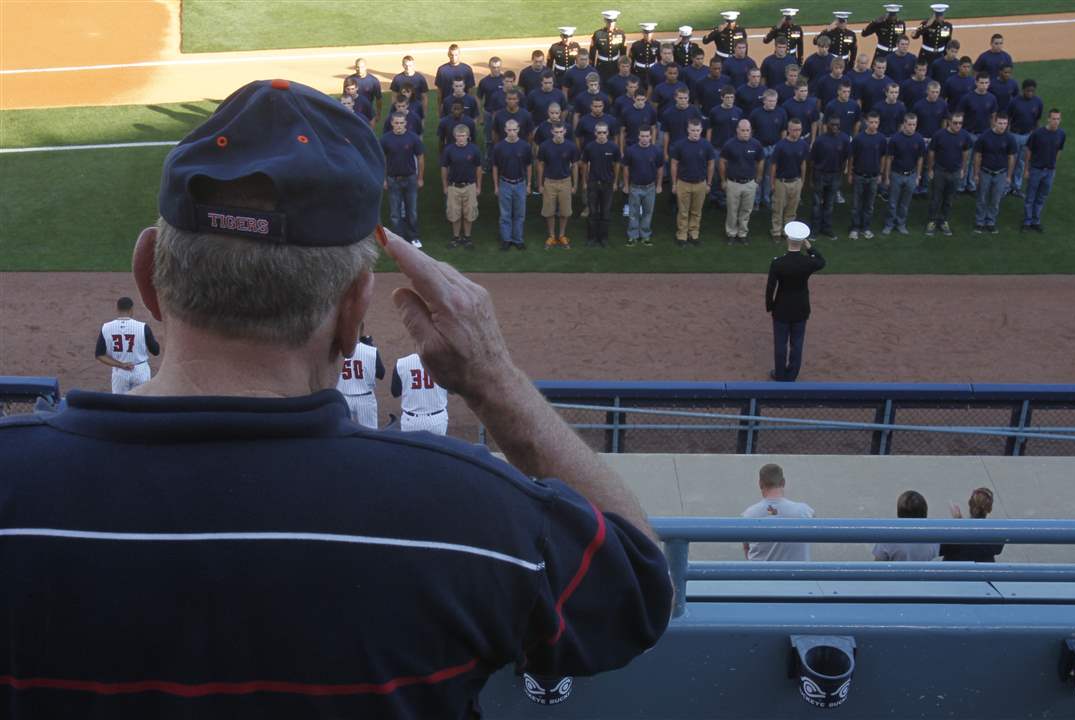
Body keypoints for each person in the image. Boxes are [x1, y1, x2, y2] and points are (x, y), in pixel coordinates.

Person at [0, 78, 672, 718]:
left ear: (148, 277)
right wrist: (494, 377)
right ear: (355, 313)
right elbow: (639, 592)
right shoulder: (471, 516)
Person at [766, 221, 825, 383]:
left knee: (780, 344)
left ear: (787, 238)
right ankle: (791, 376)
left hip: (781, 308)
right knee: (797, 344)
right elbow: (821, 261)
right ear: (802, 240)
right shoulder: (808, 262)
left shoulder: (778, 263)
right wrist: (810, 247)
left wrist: (769, 306)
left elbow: (771, 287)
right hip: (801, 308)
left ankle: (780, 374)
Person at [741, 463, 816, 559]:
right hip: (796, 574)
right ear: (783, 482)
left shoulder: (749, 514)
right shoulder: (805, 511)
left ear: (760, 484)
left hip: (761, 574)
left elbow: (746, 550)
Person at [95, 296, 160, 393]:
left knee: (119, 405)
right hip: (140, 371)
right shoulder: (143, 327)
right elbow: (156, 351)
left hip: (120, 373)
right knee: (142, 405)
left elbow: (99, 355)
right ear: (131, 309)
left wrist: (121, 365)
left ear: (117, 309)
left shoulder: (106, 327)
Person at [381, 112, 426, 249]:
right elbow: (381, 159)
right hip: (393, 179)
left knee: (411, 210)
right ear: (392, 123)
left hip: (410, 179)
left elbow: (420, 158)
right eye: (396, 123)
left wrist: (420, 178)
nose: (399, 125)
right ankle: (398, 239)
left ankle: (413, 237)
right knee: (395, 212)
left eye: (401, 123)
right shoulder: (385, 139)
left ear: (405, 123)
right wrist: (383, 179)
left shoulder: (413, 138)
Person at [669, 119, 714, 247]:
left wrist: (709, 184)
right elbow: (674, 165)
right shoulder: (679, 145)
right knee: (683, 211)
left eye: (698, 130)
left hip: (700, 183)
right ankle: (682, 235)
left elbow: (711, 165)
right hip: (683, 183)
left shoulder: (706, 145)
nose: (695, 133)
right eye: (693, 130)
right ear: (688, 130)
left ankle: (694, 234)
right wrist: (674, 184)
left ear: (701, 130)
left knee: (696, 211)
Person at [926, 111, 972, 236]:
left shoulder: (965, 136)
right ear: (949, 122)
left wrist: (963, 169)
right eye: (955, 123)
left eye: (960, 123)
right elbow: (931, 153)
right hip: (940, 171)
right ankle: (932, 221)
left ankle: (943, 220)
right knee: (936, 198)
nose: (958, 125)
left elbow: (965, 153)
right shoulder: (939, 135)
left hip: (955, 172)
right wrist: (930, 170)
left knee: (949, 199)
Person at [719, 119, 764, 245]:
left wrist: (758, 178)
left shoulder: (756, 144)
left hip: (750, 183)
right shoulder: (729, 144)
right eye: (743, 130)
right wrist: (723, 180)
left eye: (747, 130)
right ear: (737, 130)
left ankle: (742, 233)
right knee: (732, 210)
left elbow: (761, 160)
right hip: (733, 183)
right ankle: (731, 234)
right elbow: (722, 161)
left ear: (751, 131)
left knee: (746, 210)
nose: (745, 133)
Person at [1022, 108, 1066, 233]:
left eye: (1058, 119)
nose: (1055, 121)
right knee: (1030, 197)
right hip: (1036, 169)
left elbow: (1059, 151)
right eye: (1053, 119)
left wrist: (1054, 166)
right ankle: (1027, 221)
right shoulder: (1037, 133)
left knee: (1041, 197)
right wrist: (1026, 169)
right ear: (1048, 119)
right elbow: (1028, 151)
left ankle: (1036, 221)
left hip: (1050, 171)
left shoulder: (1061, 134)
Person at [491, 118, 532, 251]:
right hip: (505, 183)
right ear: (505, 130)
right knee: (505, 214)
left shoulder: (525, 146)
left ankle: (518, 240)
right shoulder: (499, 147)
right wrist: (496, 186)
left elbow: (529, 166)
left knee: (520, 214)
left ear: (518, 130)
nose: (512, 132)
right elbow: (495, 167)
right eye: (509, 130)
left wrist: (529, 184)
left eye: (514, 130)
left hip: (520, 183)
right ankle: (506, 240)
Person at [972, 114, 1017, 235]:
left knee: (996, 199)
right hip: (985, 172)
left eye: (1005, 124)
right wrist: (976, 174)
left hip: (1001, 174)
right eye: (1000, 123)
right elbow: (977, 156)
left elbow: (1011, 158)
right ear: (994, 123)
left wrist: (1008, 176)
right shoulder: (984, 137)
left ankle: (991, 222)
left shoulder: (1010, 138)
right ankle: (980, 222)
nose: (1002, 126)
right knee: (982, 198)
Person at [537, 121, 579, 248]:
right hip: (549, 182)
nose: (559, 135)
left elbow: (575, 165)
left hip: (565, 181)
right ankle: (551, 236)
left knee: (565, 212)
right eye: (556, 132)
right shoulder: (544, 146)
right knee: (549, 212)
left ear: (565, 132)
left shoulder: (571, 146)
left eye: (561, 132)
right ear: (552, 132)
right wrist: (540, 184)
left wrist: (575, 184)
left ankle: (561, 235)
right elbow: (540, 165)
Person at [440, 125, 482, 249]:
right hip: (453, 186)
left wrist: (478, 186)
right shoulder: (449, 150)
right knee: (454, 213)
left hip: (470, 186)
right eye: (458, 136)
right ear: (455, 137)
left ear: (468, 136)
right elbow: (444, 168)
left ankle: (467, 237)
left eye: (463, 136)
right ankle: (456, 237)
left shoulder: (474, 149)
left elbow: (478, 168)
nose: (461, 138)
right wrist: (445, 186)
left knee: (469, 213)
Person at [809, 116, 851, 240]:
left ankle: (826, 228)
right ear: (827, 125)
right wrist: (812, 177)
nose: (835, 127)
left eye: (837, 125)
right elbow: (813, 160)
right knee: (816, 204)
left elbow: (847, 157)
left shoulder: (844, 139)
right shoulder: (820, 140)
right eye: (832, 124)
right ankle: (815, 229)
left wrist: (843, 171)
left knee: (830, 204)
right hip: (820, 174)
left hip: (835, 175)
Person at [882, 112, 924, 235]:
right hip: (896, 174)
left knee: (905, 203)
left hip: (911, 175)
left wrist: (918, 175)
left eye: (914, 125)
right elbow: (889, 158)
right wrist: (887, 176)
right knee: (892, 202)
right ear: (904, 124)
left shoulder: (919, 139)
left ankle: (901, 224)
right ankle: (889, 224)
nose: (912, 127)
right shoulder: (895, 139)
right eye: (909, 124)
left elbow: (920, 159)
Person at [581, 121, 622, 248]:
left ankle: (603, 238)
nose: (602, 135)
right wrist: (584, 182)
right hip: (593, 183)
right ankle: (592, 238)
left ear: (608, 133)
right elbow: (584, 164)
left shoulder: (614, 147)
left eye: (604, 132)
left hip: (607, 184)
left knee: (605, 212)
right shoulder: (589, 147)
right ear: (595, 133)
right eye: (599, 132)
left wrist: (615, 182)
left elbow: (617, 165)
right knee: (593, 212)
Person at [622, 126, 664, 246]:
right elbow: (625, 169)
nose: (644, 138)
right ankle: (632, 236)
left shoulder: (656, 150)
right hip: (635, 187)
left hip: (650, 187)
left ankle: (645, 236)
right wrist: (625, 185)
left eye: (647, 136)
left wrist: (659, 185)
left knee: (648, 212)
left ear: (651, 136)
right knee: (633, 213)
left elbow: (660, 168)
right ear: (638, 136)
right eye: (642, 136)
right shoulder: (630, 150)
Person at [848, 111, 888, 240]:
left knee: (869, 205)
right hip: (859, 175)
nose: (873, 125)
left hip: (873, 176)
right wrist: (849, 174)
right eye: (871, 122)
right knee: (856, 204)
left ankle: (865, 228)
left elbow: (883, 157)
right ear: (866, 123)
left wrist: (881, 174)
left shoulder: (881, 139)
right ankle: (855, 228)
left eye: (876, 122)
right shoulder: (858, 138)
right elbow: (851, 158)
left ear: (879, 123)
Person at [337, 326, 386, 429]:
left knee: (343, 434)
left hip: (343, 399)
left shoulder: (336, 351)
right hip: (365, 400)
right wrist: (369, 345)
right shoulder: (371, 351)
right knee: (370, 434)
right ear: (361, 331)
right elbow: (381, 374)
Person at [770, 118, 809, 242]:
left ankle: (787, 231)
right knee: (778, 208)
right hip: (781, 181)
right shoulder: (780, 145)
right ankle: (776, 231)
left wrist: (802, 180)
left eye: (799, 130)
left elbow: (803, 163)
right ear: (788, 130)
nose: (797, 132)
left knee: (792, 209)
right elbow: (773, 165)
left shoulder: (803, 145)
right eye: (794, 130)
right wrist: (772, 182)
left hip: (796, 181)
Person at [957, 72, 998, 192]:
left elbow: (993, 116)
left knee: (977, 160)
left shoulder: (992, 98)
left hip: (983, 134)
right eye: (981, 83)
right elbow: (960, 115)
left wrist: (992, 131)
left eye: (986, 83)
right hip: (969, 133)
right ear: (976, 82)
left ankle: (971, 185)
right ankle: (961, 185)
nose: (984, 85)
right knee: (965, 160)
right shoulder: (967, 97)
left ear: (989, 84)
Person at [390, 353, 449, 435]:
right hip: (437, 420)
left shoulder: (401, 363)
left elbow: (395, 393)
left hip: (411, 422)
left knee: (411, 448)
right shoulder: (445, 363)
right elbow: (451, 390)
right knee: (435, 447)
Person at [872, 491, 939, 562]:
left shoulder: (888, 538)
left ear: (899, 514)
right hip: (922, 573)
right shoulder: (933, 537)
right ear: (925, 513)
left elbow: (877, 564)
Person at [941, 488, 1005, 562]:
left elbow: (940, 550)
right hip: (983, 572)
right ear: (989, 509)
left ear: (969, 504)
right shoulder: (995, 535)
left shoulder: (952, 534)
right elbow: (998, 550)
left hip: (954, 571)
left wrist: (959, 524)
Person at [750, 89, 787, 209]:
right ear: (764, 101)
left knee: (769, 175)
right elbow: (751, 131)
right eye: (770, 101)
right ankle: (755, 200)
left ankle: (766, 199)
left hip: (774, 147)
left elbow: (783, 131)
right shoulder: (755, 113)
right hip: (759, 147)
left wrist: (782, 146)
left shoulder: (781, 113)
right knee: (757, 174)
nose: (772, 103)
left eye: (774, 101)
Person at [1007, 79, 1043, 196]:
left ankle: (1016, 186)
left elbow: (1037, 120)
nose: (1030, 93)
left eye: (1032, 91)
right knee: (1010, 160)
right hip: (1014, 135)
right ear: (1023, 90)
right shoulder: (1014, 102)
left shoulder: (1038, 102)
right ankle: (1006, 186)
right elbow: (1008, 119)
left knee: (1021, 162)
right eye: (1028, 91)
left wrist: (1036, 135)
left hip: (1028, 135)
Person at [707, 86, 742, 207]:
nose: (729, 100)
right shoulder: (714, 111)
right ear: (722, 98)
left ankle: (725, 197)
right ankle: (714, 196)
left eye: (732, 97)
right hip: (717, 148)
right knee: (716, 174)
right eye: (727, 97)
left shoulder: (738, 112)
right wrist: (709, 146)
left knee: (729, 173)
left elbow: (740, 131)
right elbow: (709, 129)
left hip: (732, 149)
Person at [913, 80, 948, 194]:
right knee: (917, 163)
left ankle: (924, 188)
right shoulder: (918, 105)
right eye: (933, 92)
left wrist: (941, 135)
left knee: (929, 164)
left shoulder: (943, 104)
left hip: (934, 139)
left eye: (937, 92)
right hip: (921, 138)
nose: (935, 94)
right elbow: (914, 122)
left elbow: (944, 120)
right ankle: (915, 187)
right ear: (927, 91)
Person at [590, 10, 626, 82]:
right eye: (609, 21)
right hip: (602, 65)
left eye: (613, 21)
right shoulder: (598, 34)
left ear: (615, 21)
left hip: (615, 65)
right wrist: (592, 68)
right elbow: (592, 53)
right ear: (605, 21)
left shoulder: (620, 33)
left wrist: (622, 66)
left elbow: (623, 53)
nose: (611, 24)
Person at [630, 23, 662, 89]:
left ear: (652, 33)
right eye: (646, 33)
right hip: (639, 72)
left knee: (652, 89)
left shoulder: (657, 44)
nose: (648, 35)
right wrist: (633, 73)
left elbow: (660, 60)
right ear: (643, 33)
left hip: (652, 71)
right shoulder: (636, 45)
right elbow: (631, 61)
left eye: (649, 33)